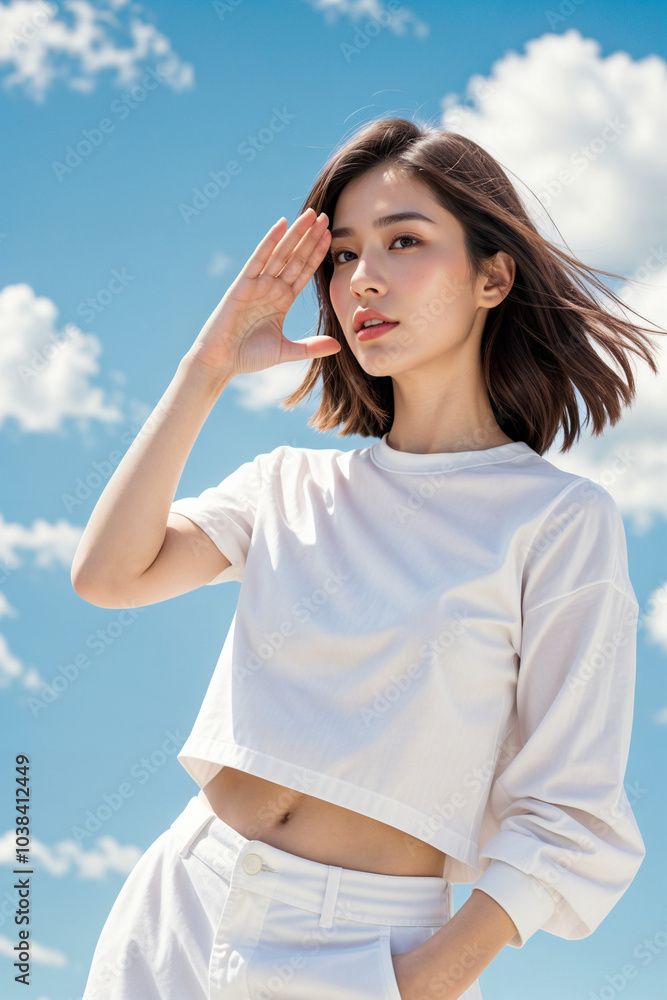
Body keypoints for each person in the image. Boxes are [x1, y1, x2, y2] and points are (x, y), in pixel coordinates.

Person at [73, 116, 662, 1000]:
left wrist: (416, 983)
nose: (363, 279)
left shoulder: (557, 521)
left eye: (404, 241)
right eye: (342, 255)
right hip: (182, 902)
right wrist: (208, 367)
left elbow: (570, 811)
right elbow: (108, 577)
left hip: (357, 948)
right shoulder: (287, 485)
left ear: (492, 276)